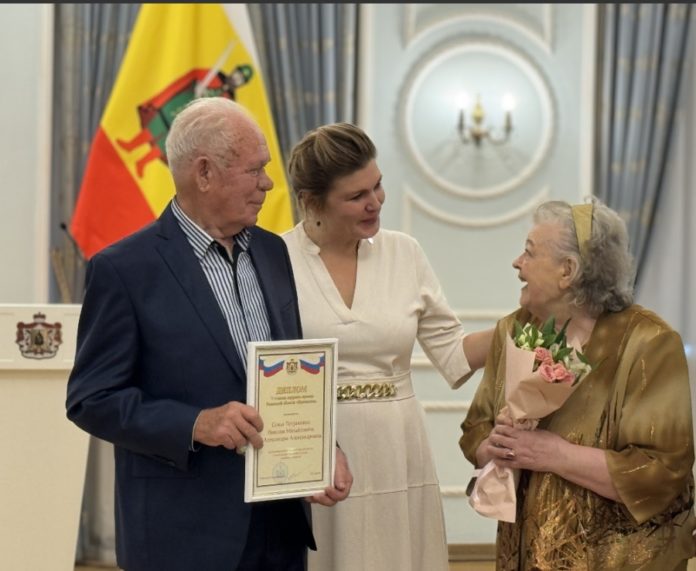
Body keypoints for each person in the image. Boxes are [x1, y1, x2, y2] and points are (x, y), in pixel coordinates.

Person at [66, 97, 352, 571]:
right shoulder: (124, 270)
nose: (269, 183)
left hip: (280, 526)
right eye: (255, 169)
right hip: (181, 533)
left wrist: (321, 449)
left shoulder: (273, 252)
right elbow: (91, 399)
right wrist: (195, 423)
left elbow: (289, 373)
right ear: (204, 173)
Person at [282, 122, 493, 571]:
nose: (375, 202)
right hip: (315, 450)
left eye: (377, 186)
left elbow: (453, 354)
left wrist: (525, 325)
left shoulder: (405, 253)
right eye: (356, 196)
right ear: (311, 201)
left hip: (399, 447)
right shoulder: (273, 259)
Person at [459, 198, 696, 570]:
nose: (517, 263)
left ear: (567, 271)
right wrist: (493, 446)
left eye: (529, 252)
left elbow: (661, 472)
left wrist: (554, 454)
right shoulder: (516, 330)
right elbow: (476, 426)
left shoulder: (648, 343)